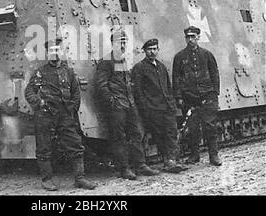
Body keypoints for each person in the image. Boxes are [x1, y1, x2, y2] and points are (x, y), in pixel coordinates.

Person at [24, 38, 96, 191]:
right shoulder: (40, 73)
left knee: (75, 145)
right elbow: (29, 91)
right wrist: (39, 103)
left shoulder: (68, 71)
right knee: (44, 148)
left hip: (64, 115)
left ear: (61, 52)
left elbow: (76, 93)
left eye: (57, 50)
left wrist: (72, 109)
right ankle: (47, 180)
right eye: (51, 51)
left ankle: (80, 178)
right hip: (46, 115)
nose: (54, 53)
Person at [94, 30, 160, 180]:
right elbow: (101, 86)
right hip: (117, 106)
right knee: (119, 138)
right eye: (119, 42)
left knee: (136, 134)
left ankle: (141, 165)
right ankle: (124, 168)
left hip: (129, 104)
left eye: (124, 42)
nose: (122, 45)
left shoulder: (124, 61)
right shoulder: (106, 62)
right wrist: (112, 101)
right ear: (113, 43)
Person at [132, 39, 187, 173]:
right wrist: (145, 107)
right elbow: (138, 91)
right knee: (160, 135)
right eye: (150, 49)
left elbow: (168, 86)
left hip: (167, 107)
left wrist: (172, 103)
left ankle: (173, 160)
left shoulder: (161, 66)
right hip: (153, 108)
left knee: (171, 133)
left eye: (155, 49)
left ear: (158, 50)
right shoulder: (139, 68)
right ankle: (168, 161)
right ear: (144, 51)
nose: (153, 52)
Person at [172, 26, 222, 166]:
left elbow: (214, 74)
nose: (190, 40)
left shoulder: (207, 54)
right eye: (188, 37)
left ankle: (214, 155)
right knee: (192, 128)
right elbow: (176, 78)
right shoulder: (180, 57)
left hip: (207, 96)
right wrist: (179, 97)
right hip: (190, 98)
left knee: (210, 126)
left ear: (198, 37)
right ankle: (194, 155)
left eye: (193, 36)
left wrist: (214, 93)